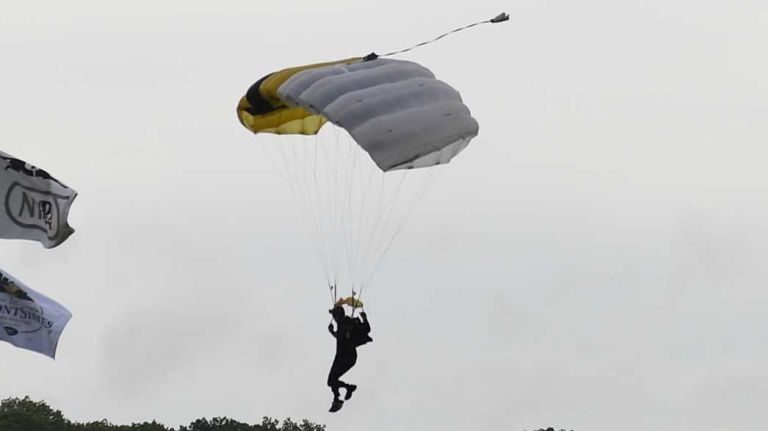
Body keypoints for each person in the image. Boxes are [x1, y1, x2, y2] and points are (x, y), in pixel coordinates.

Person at [327, 305, 372, 412]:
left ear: (338, 315)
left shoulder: (349, 322)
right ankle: (346, 390)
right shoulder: (341, 325)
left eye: (334, 315)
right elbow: (340, 336)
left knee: (332, 379)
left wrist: (364, 318)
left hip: (349, 356)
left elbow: (366, 329)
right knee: (330, 381)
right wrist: (332, 332)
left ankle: (339, 397)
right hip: (340, 356)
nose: (333, 317)